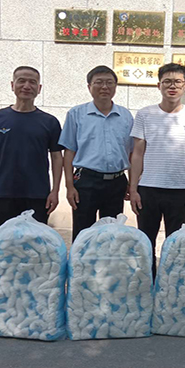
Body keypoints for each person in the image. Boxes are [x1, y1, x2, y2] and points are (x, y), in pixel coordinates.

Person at [129, 63, 185, 277]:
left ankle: (171, 285)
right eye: (167, 82)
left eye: (177, 82)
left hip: (180, 190)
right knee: (146, 241)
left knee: (176, 243)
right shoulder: (145, 114)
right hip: (148, 189)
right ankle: (148, 284)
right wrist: (133, 189)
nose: (172, 86)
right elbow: (137, 154)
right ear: (159, 85)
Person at [0, 66, 63, 229]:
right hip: (3, 193)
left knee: (35, 240)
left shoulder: (50, 122)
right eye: (21, 81)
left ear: (39, 88)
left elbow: (57, 157)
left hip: (38, 195)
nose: (27, 86)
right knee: (4, 240)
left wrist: (55, 191)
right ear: (12, 85)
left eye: (32, 82)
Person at [59, 66, 134, 240]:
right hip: (86, 181)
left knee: (112, 234)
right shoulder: (76, 114)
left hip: (117, 182)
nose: (104, 87)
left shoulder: (125, 116)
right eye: (99, 82)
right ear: (89, 87)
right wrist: (69, 186)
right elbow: (69, 152)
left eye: (109, 83)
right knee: (83, 232)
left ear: (115, 86)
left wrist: (132, 184)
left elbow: (131, 153)